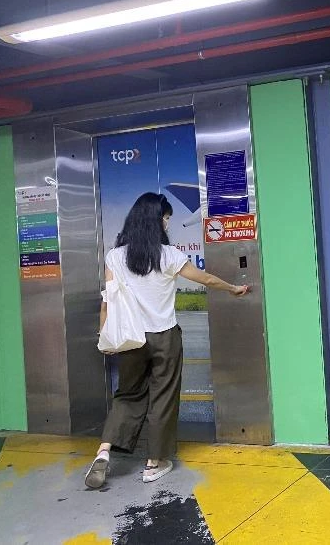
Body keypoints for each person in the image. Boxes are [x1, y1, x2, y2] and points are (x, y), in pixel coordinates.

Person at [85, 192, 248, 489]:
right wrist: (232, 288)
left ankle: (104, 452)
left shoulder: (115, 256)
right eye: (166, 218)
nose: (168, 223)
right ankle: (154, 464)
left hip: (131, 338)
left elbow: (107, 301)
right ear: (157, 221)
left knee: (127, 394)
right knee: (163, 397)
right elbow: (206, 279)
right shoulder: (169, 255)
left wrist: (104, 335)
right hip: (164, 336)